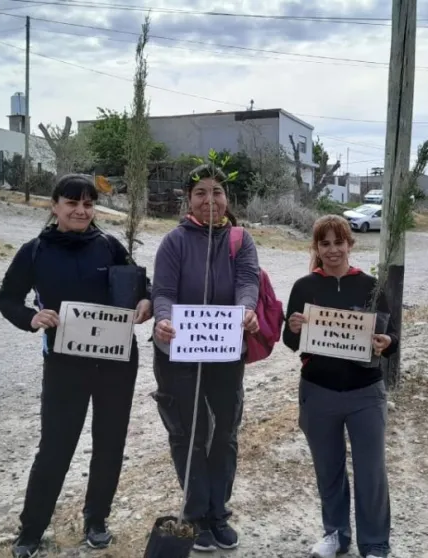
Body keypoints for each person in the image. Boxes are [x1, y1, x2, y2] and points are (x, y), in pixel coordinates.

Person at [0, 174, 152, 558]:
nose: (81, 211)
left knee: (110, 444)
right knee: (55, 447)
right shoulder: (35, 251)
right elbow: (7, 298)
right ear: (55, 206)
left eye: (88, 204)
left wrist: (146, 302)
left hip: (116, 364)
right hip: (65, 365)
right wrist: (32, 318)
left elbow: (140, 285)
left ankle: (96, 521)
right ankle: (31, 531)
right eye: (72, 204)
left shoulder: (110, 246)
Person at [150, 164, 260, 552]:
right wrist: (163, 319)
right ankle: (195, 516)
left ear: (227, 198)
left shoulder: (240, 239)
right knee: (188, 434)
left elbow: (249, 282)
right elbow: (162, 291)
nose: (209, 200)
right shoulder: (173, 242)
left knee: (225, 434)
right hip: (177, 352)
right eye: (201, 192)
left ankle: (217, 512)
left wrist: (247, 309)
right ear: (188, 198)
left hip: (225, 351)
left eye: (217, 192)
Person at [282, 215, 398, 558]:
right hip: (318, 392)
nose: (332, 250)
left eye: (339, 242)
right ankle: (335, 534)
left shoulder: (370, 286)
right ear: (316, 248)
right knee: (328, 468)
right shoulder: (304, 287)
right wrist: (294, 326)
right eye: (325, 243)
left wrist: (384, 341)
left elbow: (393, 340)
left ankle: (375, 543)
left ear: (351, 243)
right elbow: (290, 341)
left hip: (365, 393)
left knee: (371, 471)